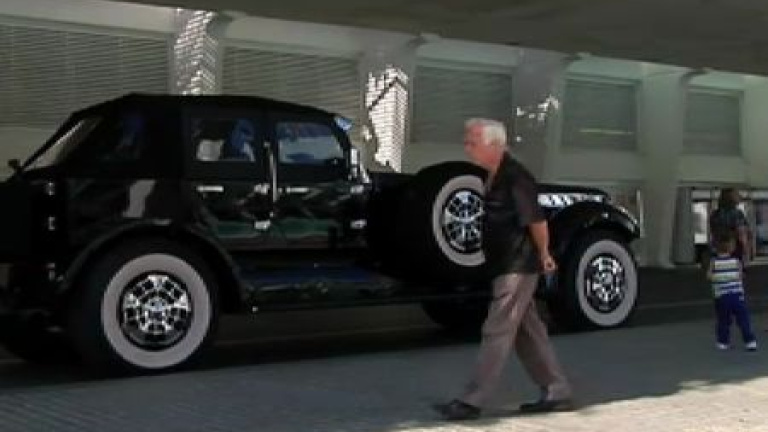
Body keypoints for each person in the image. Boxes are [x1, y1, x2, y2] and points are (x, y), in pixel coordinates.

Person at [433, 118, 573, 421]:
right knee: (527, 331)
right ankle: (557, 389)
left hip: (517, 265)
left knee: (496, 330)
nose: (467, 147)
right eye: (467, 141)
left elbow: (536, 221)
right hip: (504, 264)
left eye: (473, 142)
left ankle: (471, 400)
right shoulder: (494, 176)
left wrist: (544, 253)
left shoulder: (516, 177)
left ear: (495, 144)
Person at [707, 232, 757, 351]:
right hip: (737, 295)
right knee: (743, 319)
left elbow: (709, 276)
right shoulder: (736, 261)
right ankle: (750, 342)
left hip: (721, 296)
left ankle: (723, 342)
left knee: (723, 319)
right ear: (731, 248)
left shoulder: (714, 261)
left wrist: (718, 278)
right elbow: (740, 275)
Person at [709, 188, 751, 265]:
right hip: (735, 248)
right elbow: (741, 233)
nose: (739, 196)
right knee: (736, 268)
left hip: (719, 249)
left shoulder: (715, 214)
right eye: (737, 194)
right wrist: (746, 250)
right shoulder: (737, 214)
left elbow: (713, 232)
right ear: (731, 197)